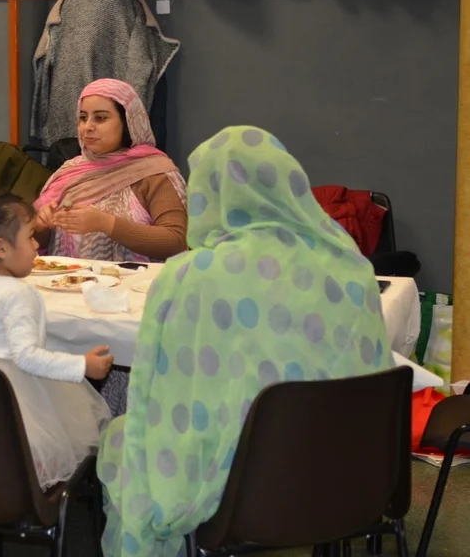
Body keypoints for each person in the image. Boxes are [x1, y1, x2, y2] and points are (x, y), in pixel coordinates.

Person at [96, 126, 393, 556]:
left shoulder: (191, 277)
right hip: (350, 476)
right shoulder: (353, 268)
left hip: (242, 491)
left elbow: (167, 402)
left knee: (123, 437)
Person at [0, 187, 113, 488]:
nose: (37, 245)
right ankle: (28, 497)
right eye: (30, 237)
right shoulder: (17, 293)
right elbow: (27, 356)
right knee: (30, 450)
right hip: (15, 390)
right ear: (1, 248)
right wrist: (82, 366)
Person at [34, 79, 187, 263]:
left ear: (127, 122)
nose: (88, 127)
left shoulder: (154, 172)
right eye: (83, 118)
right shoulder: (70, 171)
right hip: (69, 278)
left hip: (136, 281)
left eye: (100, 118)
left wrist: (105, 223)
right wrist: (41, 226)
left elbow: (176, 242)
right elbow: (39, 244)